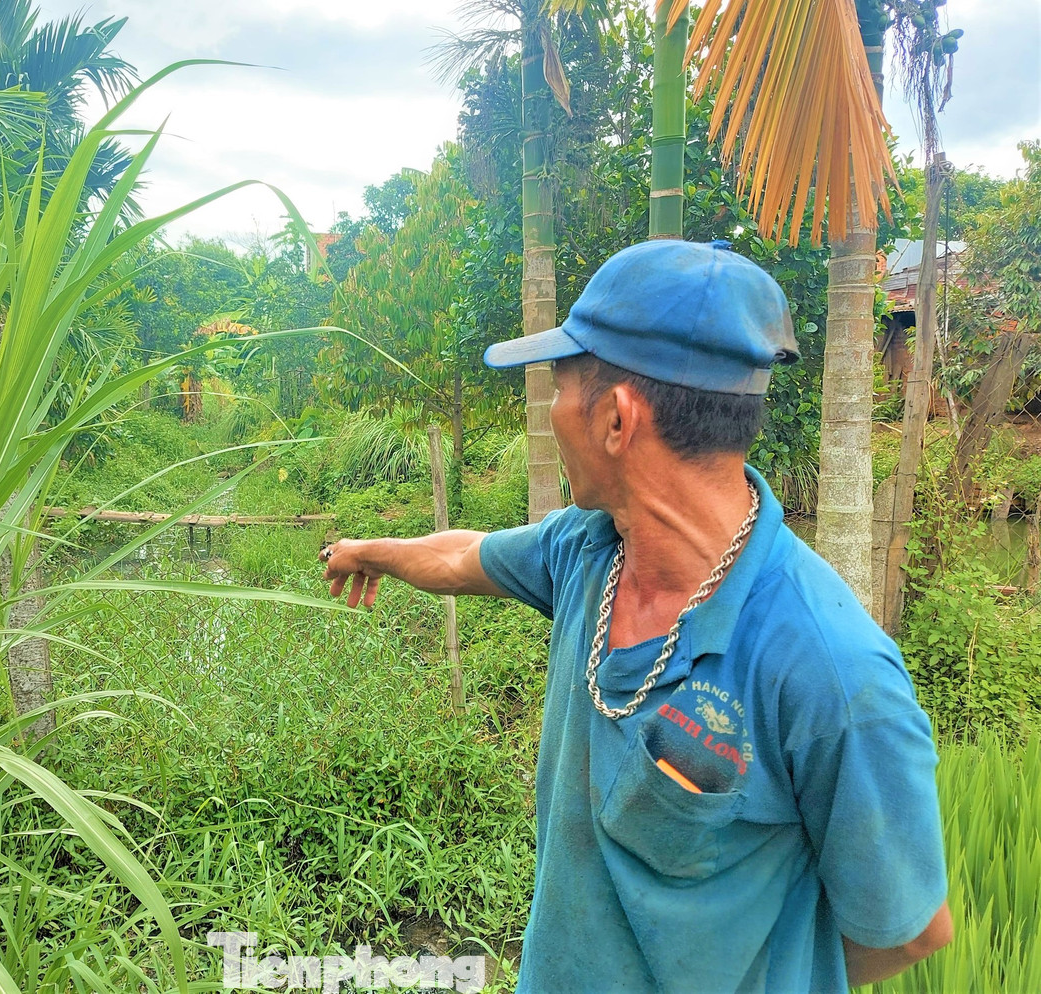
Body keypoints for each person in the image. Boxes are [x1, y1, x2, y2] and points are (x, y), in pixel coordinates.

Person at [318, 240, 952, 993]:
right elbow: (463, 556)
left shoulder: (829, 670)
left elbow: (908, 932)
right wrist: (369, 552)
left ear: (617, 419)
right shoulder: (584, 550)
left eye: (558, 387)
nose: (551, 413)